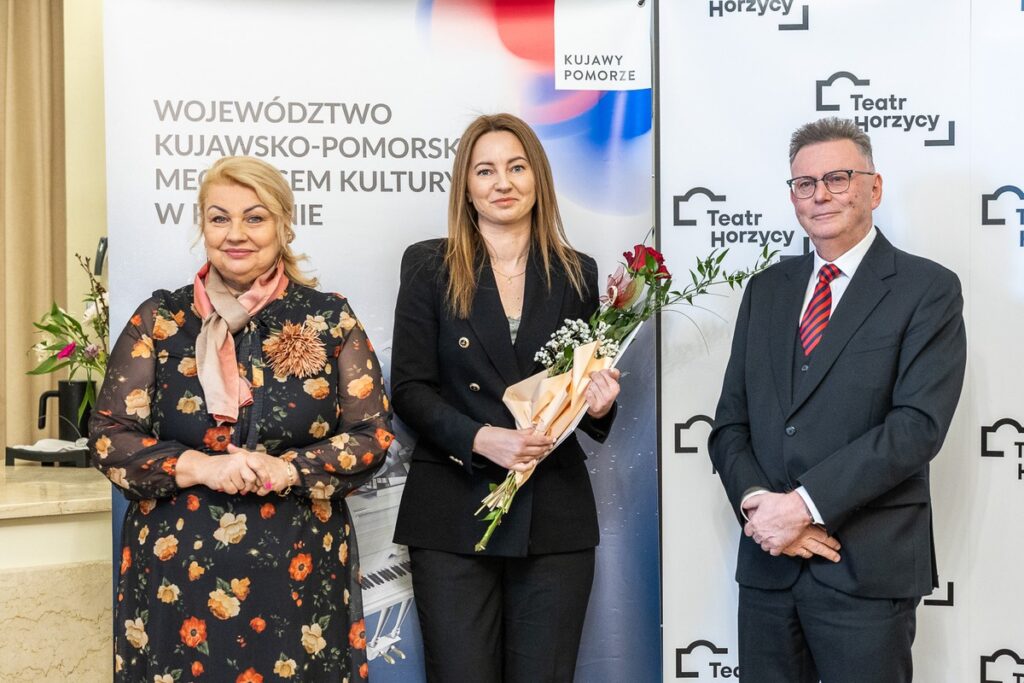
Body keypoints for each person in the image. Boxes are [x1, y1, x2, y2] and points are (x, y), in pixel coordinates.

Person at [89, 156, 392, 681]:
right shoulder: (159, 321)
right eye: (219, 218)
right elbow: (108, 437)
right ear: (201, 226)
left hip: (300, 578)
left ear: (283, 224)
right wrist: (200, 467)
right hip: (174, 579)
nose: (236, 234)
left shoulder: (328, 318)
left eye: (254, 218)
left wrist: (288, 469)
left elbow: (374, 435)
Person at [708, 117, 966, 682]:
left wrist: (801, 506)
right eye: (805, 183)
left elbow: (917, 426)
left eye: (838, 178)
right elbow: (730, 425)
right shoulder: (766, 290)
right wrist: (761, 507)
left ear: (873, 188)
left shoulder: (928, 289)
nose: (820, 194)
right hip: (769, 566)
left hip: (866, 573)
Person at [390, 113, 621, 682]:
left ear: (537, 177)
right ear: (465, 186)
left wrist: (600, 403)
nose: (503, 182)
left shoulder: (575, 272)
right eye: (486, 170)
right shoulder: (428, 265)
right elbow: (410, 389)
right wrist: (480, 439)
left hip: (553, 517)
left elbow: (578, 391)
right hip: (453, 508)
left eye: (517, 167)